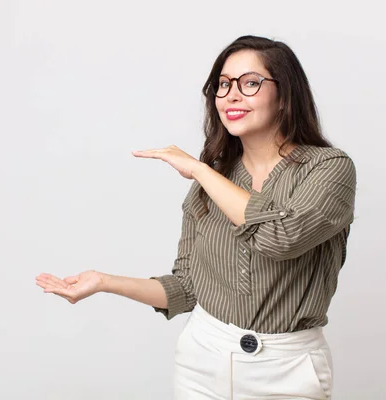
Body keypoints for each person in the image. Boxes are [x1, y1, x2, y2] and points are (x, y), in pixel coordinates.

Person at [35, 35, 356, 399]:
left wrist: (202, 172)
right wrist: (104, 281)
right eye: (223, 85)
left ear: (285, 94)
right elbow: (187, 288)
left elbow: (280, 238)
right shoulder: (216, 177)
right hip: (203, 358)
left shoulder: (329, 168)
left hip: (287, 369)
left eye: (250, 83)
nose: (232, 95)